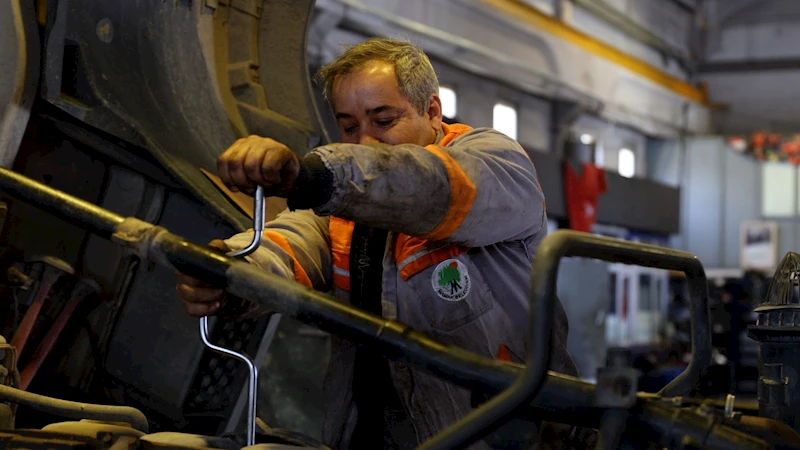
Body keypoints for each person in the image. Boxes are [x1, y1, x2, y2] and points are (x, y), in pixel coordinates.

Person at [175, 37, 578, 449]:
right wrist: (228, 272)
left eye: (383, 121)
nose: (364, 141)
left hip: (510, 435)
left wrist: (317, 175)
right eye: (349, 126)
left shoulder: (495, 163)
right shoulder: (346, 205)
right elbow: (292, 239)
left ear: (433, 111)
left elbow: (427, 186)